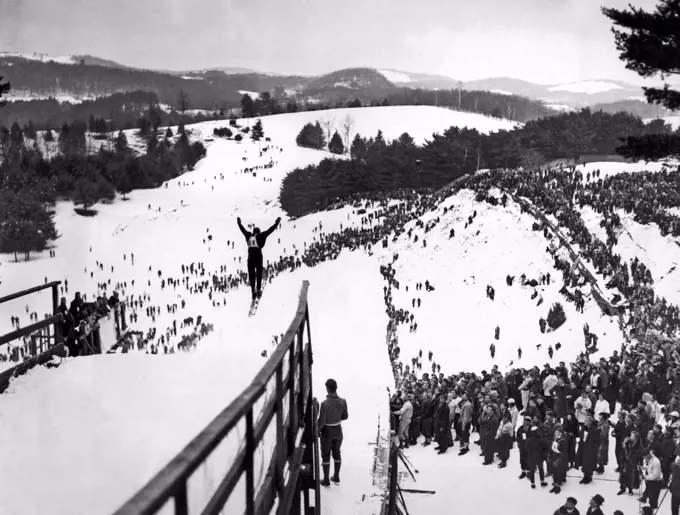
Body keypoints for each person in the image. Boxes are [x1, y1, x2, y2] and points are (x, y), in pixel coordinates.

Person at [237, 216, 281, 299]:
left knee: (251, 274)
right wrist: (277, 223)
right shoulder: (261, 236)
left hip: (250, 257)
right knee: (259, 273)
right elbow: (270, 230)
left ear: (253, 232)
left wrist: (239, 223)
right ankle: (258, 290)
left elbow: (242, 230)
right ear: (259, 232)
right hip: (258, 256)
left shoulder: (249, 235)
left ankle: (253, 291)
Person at [318, 378, 348, 487]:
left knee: (326, 455)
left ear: (327, 389)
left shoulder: (324, 404)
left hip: (327, 431)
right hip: (338, 430)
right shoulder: (343, 401)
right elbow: (345, 416)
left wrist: (316, 431)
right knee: (337, 452)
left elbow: (322, 422)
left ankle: (326, 480)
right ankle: (336, 476)